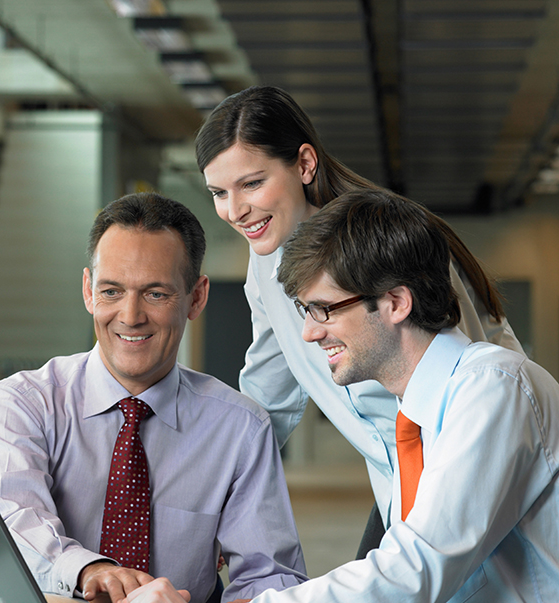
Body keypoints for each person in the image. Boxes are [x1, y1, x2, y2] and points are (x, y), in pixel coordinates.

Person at [121, 189, 559, 603]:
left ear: (395, 302)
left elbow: (413, 574)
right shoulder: (414, 420)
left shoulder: (495, 390)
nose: (309, 334)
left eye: (324, 310)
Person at [195, 85, 522, 520]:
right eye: (219, 193)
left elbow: (472, 382)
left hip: (469, 474)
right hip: (397, 484)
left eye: (252, 184)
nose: (235, 211)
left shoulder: (391, 242)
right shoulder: (265, 266)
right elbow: (269, 394)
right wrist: (215, 497)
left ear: (305, 164)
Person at [0, 191, 307, 603]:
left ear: (197, 298)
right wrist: (88, 570)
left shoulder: (240, 428)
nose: (130, 316)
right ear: (88, 291)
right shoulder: (23, 404)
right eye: (112, 291)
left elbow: (271, 575)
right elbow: (12, 520)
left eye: (156, 294)